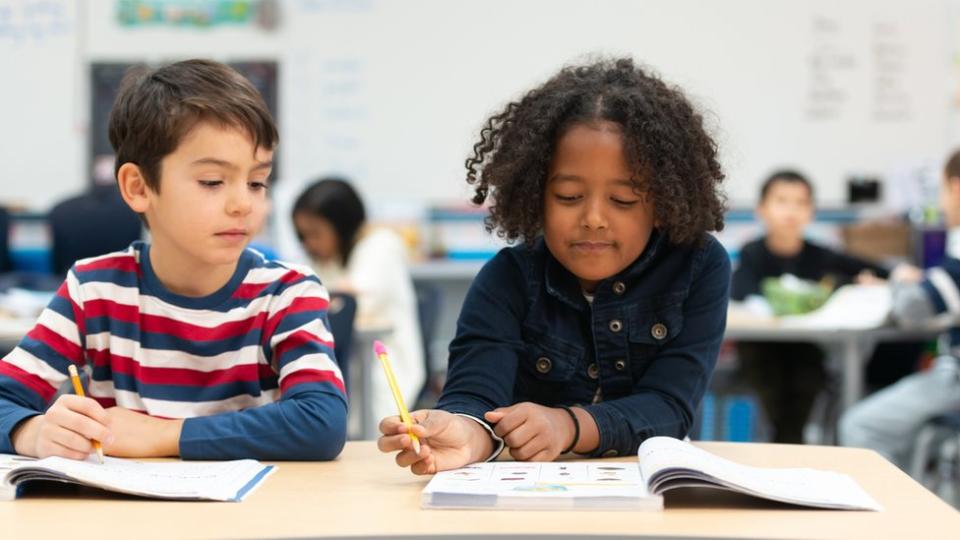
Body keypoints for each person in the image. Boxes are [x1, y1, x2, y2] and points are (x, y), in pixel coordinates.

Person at [378, 57, 730, 474]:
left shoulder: (697, 267)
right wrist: (465, 432)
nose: (594, 218)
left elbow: (670, 405)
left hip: (651, 492)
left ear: (662, 204)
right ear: (534, 197)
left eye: (623, 201)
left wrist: (567, 425)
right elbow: (477, 392)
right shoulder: (507, 279)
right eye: (568, 196)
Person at [0, 59, 347, 461]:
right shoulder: (94, 291)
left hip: (249, 517)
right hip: (121, 519)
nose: (242, 204)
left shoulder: (286, 294)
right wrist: (33, 430)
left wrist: (164, 436)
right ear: (139, 187)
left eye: (257, 182)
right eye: (213, 182)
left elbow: (321, 422)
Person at [730, 170, 897, 443]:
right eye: (782, 201)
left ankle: (790, 445)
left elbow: (875, 271)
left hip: (806, 347)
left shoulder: (820, 255)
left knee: (807, 379)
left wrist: (867, 280)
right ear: (762, 209)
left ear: (811, 211)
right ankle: (785, 446)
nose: (791, 211)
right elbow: (742, 292)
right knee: (771, 383)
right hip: (760, 347)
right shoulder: (752, 253)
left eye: (801, 202)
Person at [839, 149, 960, 468]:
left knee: (862, 426)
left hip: (954, 380)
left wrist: (902, 282)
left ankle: (901, 515)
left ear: (956, 188)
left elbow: (912, 308)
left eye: (941, 191)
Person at [292, 177, 425, 425]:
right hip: (348, 370)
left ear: (342, 226)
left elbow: (347, 300)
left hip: (382, 374)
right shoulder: (326, 259)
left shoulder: (380, 245)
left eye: (315, 233)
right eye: (303, 235)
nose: (309, 243)